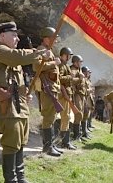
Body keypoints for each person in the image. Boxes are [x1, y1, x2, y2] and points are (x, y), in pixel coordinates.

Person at [0, 21, 51, 182]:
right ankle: (11, 179)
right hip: (6, 107)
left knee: (21, 141)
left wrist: (25, 94)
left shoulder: (11, 57)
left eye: (17, 36)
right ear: (2, 36)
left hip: (19, 106)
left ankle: (20, 177)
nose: (17, 39)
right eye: (13, 35)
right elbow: (17, 58)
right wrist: (39, 53)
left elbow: (18, 81)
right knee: (11, 143)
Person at [32, 26, 63, 157]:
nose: (55, 41)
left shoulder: (48, 51)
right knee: (48, 117)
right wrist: (54, 63)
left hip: (52, 87)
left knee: (52, 116)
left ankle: (50, 144)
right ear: (46, 39)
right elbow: (36, 66)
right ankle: (47, 147)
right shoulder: (40, 50)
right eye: (53, 38)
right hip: (46, 88)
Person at [57, 47, 76, 150]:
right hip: (62, 94)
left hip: (67, 93)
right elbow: (58, 78)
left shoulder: (65, 65)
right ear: (64, 55)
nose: (69, 57)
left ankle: (66, 141)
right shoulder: (60, 65)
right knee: (65, 117)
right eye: (68, 55)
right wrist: (70, 77)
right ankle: (64, 142)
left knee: (67, 117)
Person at [70, 55, 87, 141]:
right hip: (76, 94)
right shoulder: (73, 70)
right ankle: (76, 135)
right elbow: (71, 80)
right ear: (76, 62)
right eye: (80, 62)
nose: (81, 63)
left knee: (81, 114)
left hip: (81, 94)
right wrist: (80, 78)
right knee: (78, 114)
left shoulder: (78, 69)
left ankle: (79, 134)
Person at [81, 66, 94, 138]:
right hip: (83, 98)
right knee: (83, 115)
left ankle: (85, 131)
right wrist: (89, 91)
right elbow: (82, 89)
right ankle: (82, 132)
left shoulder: (86, 80)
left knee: (86, 115)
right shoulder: (82, 79)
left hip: (87, 98)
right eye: (87, 72)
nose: (88, 73)